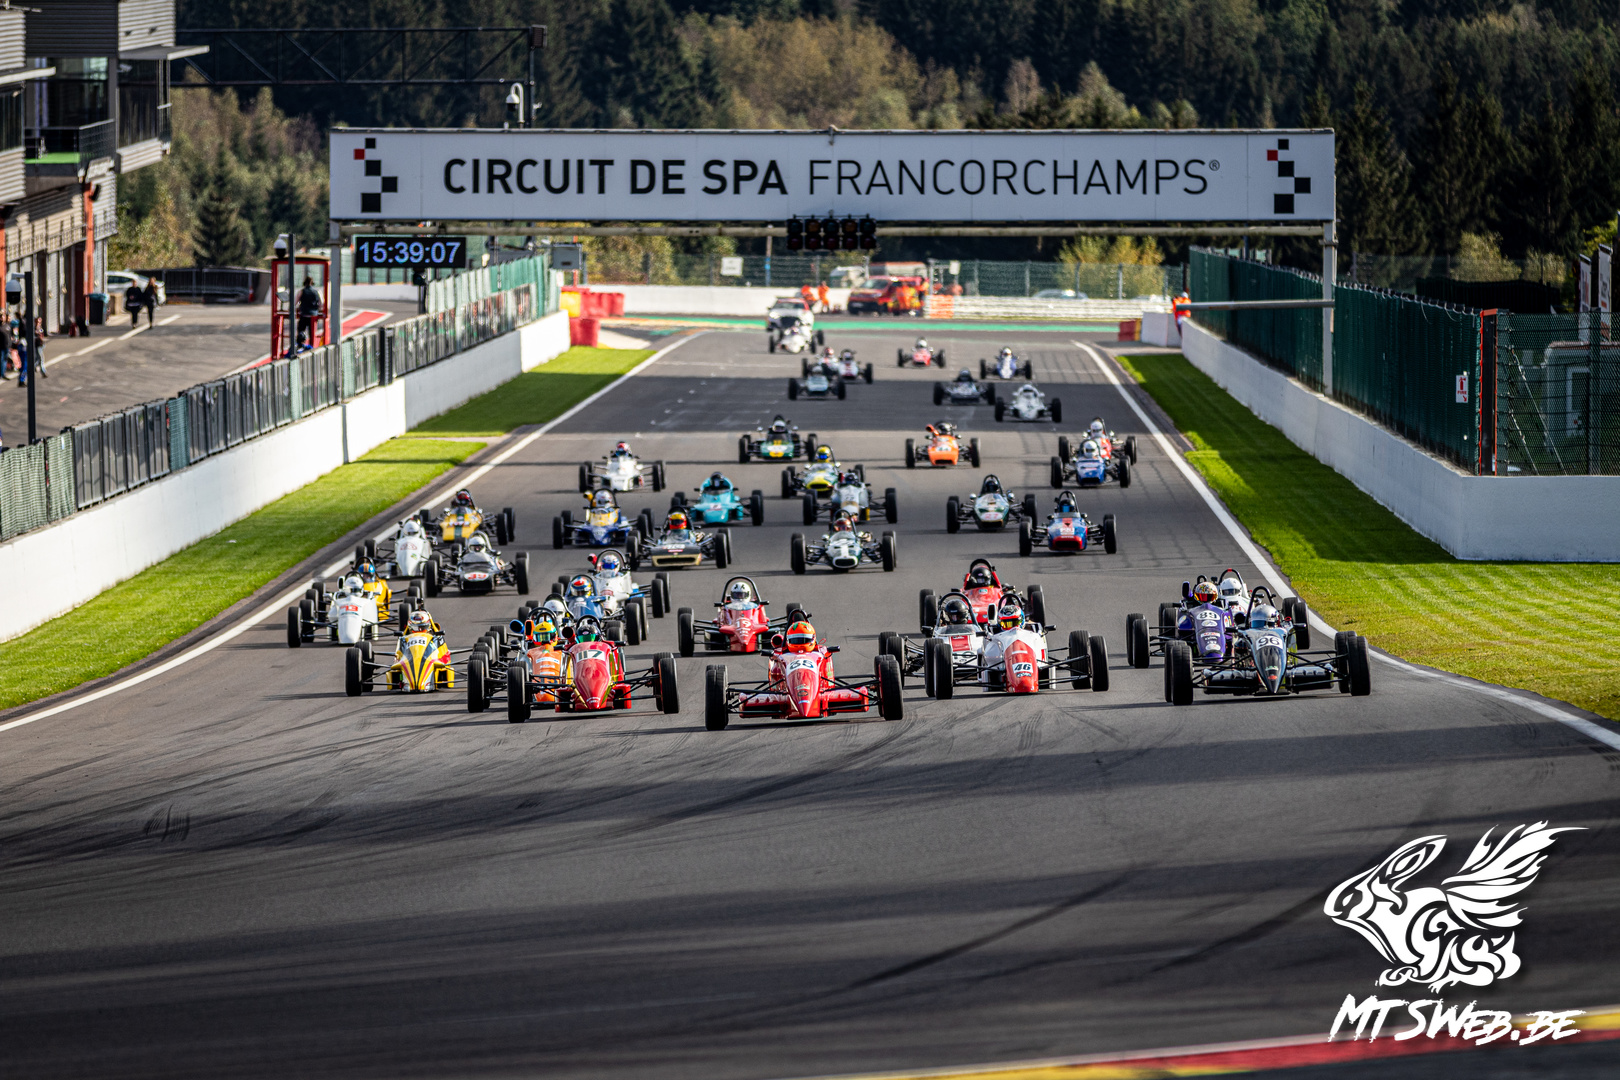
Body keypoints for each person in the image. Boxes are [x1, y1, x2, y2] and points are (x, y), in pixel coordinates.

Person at [296, 276, 322, 348]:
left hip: (304, 314)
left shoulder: (301, 291)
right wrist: (317, 309)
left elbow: (295, 302)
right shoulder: (316, 292)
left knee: (301, 331)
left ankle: (300, 345)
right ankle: (311, 346)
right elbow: (321, 304)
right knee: (312, 333)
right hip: (313, 315)